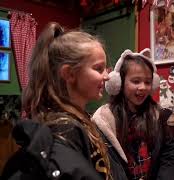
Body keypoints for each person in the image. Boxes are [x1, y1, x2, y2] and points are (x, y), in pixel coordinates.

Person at [1, 22, 128, 180]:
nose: (107, 76)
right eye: (98, 68)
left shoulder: (81, 119)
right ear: (69, 74)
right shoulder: (64, 129)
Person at [92, 48, 174, 180]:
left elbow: (168, 153)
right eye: (136, 81)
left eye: (148, 82)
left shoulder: (157, 114)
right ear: (119, 83)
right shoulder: (105, 120)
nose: (143, 87)